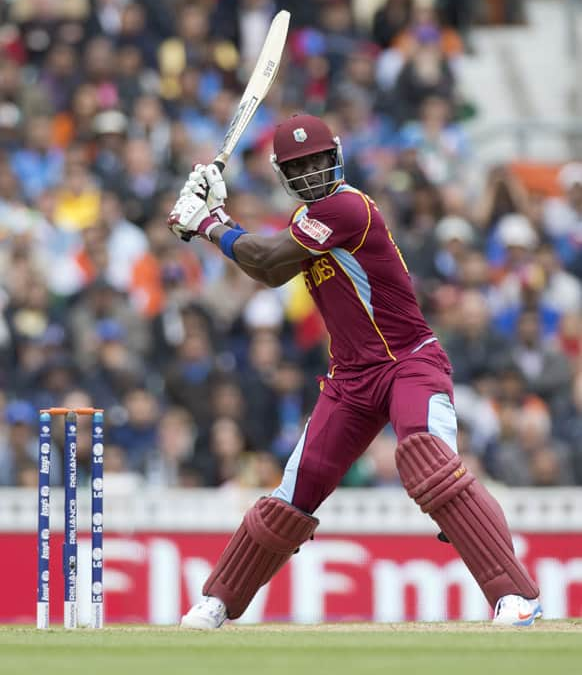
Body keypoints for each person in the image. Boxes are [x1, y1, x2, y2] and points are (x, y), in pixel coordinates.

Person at [167, 113, 542, 629]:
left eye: (319, 160)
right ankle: (218, 602)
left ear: (336, 156)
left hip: (409, 362)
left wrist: (209, 223)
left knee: (430, 464)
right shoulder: (307, 224)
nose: (313, 172)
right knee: (292, 498)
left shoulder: (347, 207)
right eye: (299, 166)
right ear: (283, 173)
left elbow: (270, 253)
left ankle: (515, 595)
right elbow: (271, 271)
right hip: (350, 381)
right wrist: (217, 216)